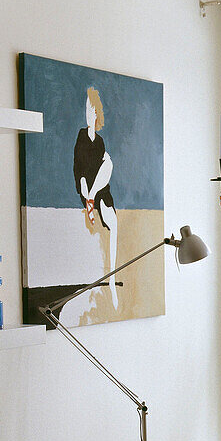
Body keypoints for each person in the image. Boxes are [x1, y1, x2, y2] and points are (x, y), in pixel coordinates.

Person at [73, 87, 119, 310]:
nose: (88, 112)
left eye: (92, 108)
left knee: (115, 224)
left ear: (97, 112)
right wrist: (86, 191)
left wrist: (94, 193)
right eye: (86, 108)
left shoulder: (100, 141)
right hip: (86, 187)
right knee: (102, 166)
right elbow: (79, 171)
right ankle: (90, 202)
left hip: (100, 191)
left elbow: (104, 170)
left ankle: (112, 276)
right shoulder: (82, 137)